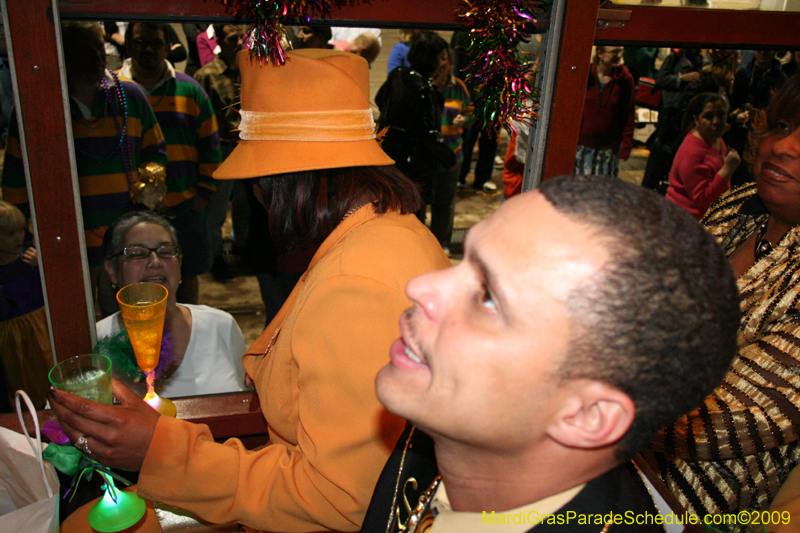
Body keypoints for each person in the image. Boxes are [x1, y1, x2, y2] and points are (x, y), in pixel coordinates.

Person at [53, 48, 451, 533]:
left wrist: (159, 450)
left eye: (258, 179)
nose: (258, 198)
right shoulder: (391, 231)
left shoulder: (355, 282)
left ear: (287, 179)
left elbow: (341, 498)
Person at [361, 174, 740, 532]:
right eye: (465, 258)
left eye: (489, 297)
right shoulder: (435, 438)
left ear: (587, 415)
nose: (420, 286)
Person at [644, 72, 800, 516]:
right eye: (783, 126)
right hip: (614, 459)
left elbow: (716, 419)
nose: (784, 147)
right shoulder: (739, 205)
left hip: (692, 505)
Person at [1, 21, 167, 317]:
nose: (96, 57)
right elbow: (16, 181)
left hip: (122, 242)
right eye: (83, 50)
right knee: (72, 323)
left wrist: (146, 210)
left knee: (129, 322)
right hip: (63, 246)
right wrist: (24, 241)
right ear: (61, 53)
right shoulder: (35, 106)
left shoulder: (130, 96)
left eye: (98, 47)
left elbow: (155, 154)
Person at [119, 22, 222, 305]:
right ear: (128, 46)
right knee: (134, 281)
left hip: (185, 205)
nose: (149, 49)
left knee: (186, 276)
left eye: (156, 42)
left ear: (167, 47)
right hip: (130, 213)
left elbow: (211, 146)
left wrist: (203, 194)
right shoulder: (115, 89)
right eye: (141, 42)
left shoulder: (190, 90)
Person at [97, 210, 248, 398]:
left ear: (180, 263)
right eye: (137, 253)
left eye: (166, 251)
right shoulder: (95, 342)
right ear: (112, 271)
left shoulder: (220, 325)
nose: (155, 262)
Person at [376, 31, 457, 232]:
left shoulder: (398, 75)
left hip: (387, 153)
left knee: (389, 211)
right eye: (441, 56)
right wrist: (449, 158)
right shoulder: (425, 90)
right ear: (432, 58)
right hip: (414, 163)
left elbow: (379, 99)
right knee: (412, 215)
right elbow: (428, 133)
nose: (442, 62)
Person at [194, 23, 250, 282]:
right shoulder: (207, 75)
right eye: (231, 39)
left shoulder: (252, 69)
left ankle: (242, 249)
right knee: (216, 209)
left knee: (246, 204)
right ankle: (215, 256)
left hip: (250, 149)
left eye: (241, 38)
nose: (238, 43)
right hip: (222, 149)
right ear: (219, 39)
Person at [0, 200, 52, 410]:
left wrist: (42, 266)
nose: (18, 238)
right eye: (9, 234)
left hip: (38, 329)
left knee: (44, 374)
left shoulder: (30, 259)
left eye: (21, 231)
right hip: (7, 339)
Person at [665, 93, 741, 220]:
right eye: (708, 116)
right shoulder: (692, 153)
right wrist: (727, 170)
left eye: (721, 115)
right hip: (687, 221)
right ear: (696, 119)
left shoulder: (714, 137)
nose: (716, 121)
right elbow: (702, 198)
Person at [640, 48, 703, 193]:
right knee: (659, 151)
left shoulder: (699, 59)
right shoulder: (675, 57)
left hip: (685, 113)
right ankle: (648, 189)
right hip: (669, 111)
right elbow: (660, 80)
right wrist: (681, 78)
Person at [574, 46, 636, 178]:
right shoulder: (586, 75)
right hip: (582, 146)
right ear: (600, 53)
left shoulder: (625, 79)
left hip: (608, 148)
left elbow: (629, 114)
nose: (618, 55)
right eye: (614, 52)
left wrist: (627, 144)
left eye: (620, 51)